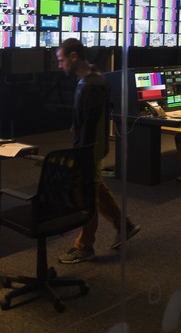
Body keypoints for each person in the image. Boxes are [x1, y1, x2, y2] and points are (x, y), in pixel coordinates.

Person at [55, 38, 140, 264]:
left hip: (88, 150)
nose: (59, 65)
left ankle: (85, 247)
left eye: (61, 60)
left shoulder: (92, 85)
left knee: (87, 196)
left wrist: (80, 156)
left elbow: (91, 128)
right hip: (92, 149)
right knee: (96, 188)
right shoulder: (90, 79)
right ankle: (125, 225)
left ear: (74, 57)